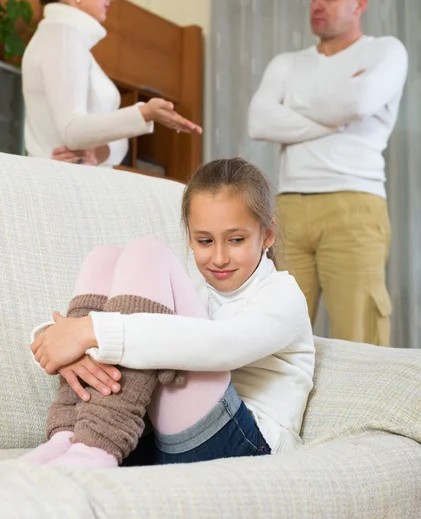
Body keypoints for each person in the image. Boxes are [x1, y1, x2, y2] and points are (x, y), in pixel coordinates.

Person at [26, 157, 314, 468]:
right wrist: (50, 337)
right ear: (190, 237)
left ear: (267, 235)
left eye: (236, 240)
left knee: (148, 253)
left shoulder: (283, 296)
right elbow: (147, 333)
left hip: (247, 443)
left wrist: (89, 332)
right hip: (164, 436)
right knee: (105, 258)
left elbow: (221, 346)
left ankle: (97, 447)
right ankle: (68, 437)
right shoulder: (193, 287)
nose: (219, 257)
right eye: (204, 240)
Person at [248, 0, 408, 346]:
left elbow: (360, 100)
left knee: (361, 337)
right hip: (288, 209)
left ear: (360, 3)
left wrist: (295, 104)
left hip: (355, 206)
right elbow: (259, 121)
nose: (317, 4)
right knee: (279, 337)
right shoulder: (287, 62)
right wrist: (337, 115)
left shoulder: (386, 51)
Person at [23, 0, 201, 168]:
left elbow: (89, 141)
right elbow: (72, 130)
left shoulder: (63, 38)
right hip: (64, 186)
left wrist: (94, 154)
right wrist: (144, 112)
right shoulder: (62, 36)